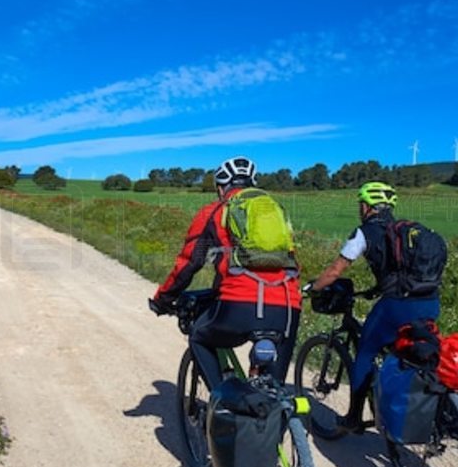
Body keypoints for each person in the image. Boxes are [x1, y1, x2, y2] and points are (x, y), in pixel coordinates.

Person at [149, 157, 302, 389]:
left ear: (221, 187)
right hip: (288, 303)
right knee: (275, 390)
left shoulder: (215, 211)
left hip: (239, 303)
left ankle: (221, 400)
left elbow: (191, 261)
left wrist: (164, 298)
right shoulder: (276, 213)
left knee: (199, 337)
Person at [307, 181, 442, 436]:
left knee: (366, 351)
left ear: (368, 207)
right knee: (412, 350)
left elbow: (336, 270)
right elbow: (400, 271)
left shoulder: (365, 232)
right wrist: (376, 289)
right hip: (430, 302)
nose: (360, 208)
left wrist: (314, 287)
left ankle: (354, 418)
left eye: (361, 204)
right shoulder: (404, 231)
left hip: (397, 305)